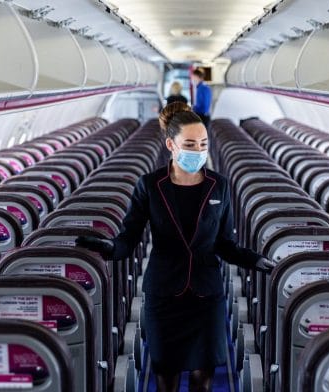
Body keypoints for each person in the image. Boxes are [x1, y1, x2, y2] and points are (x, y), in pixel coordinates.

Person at [76, 102, 274, 392]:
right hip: (164, 294)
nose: (198, 151)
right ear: (171, 144)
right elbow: (128, 239)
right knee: (165, 379)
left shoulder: (219, 185)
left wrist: (257, 261)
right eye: (190, 144)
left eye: (203, 144)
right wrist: (107, 247)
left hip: (207, 296)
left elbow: (225, 244)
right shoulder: (150, 185)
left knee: (202, 382)